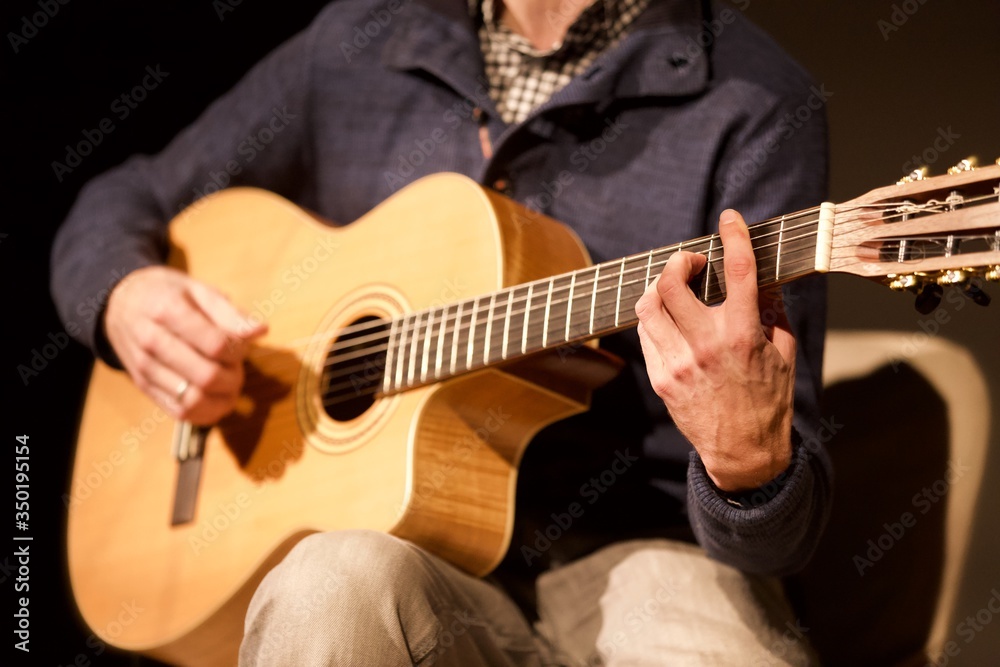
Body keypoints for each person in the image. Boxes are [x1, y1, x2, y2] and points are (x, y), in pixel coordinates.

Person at [52, 0, 832, 664]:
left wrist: (749, 468)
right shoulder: (360, 40)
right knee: (328, 581)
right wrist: (123, 296)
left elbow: (781, 541)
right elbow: (126, 198)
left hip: (650, 544)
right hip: (402, 547)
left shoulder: (756, 102)